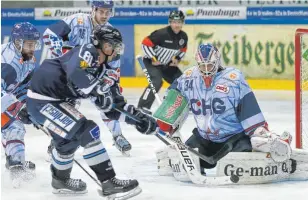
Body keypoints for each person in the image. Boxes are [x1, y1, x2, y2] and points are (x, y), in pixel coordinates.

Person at [26, 25, 157, 198]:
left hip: (54, 102)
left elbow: (112, 107)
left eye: (116, 46)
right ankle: (109, 182)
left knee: (68, 143)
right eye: (111, 45)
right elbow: (76, 73)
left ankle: (60, 181)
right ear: (99, 43)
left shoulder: (103, 70)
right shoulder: (87, 51)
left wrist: (138, 119)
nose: (114, 49)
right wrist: (97, 91)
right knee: (88, 130)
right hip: (42, 101)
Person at [157, 43, 292, 175]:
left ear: (217, 62)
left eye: (209, 65)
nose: (206, 70)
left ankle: (270, 145)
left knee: (243, 162)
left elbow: (248, 109)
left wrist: (260, 132)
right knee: (184, 163)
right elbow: (173, 93)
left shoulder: (233, 79)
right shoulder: (188, 78)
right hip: (204, 138)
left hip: (234, 139)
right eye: (202, 66)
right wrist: (166, 115)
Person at [43, 0, 131, 155]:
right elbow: (49, 34)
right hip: (68, 74)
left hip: (92, 73)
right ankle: (56, 141)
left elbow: (114, 62)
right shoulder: (77, 21)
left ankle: (118, 136)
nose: (104, 15)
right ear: (93, 9)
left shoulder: (110, 31)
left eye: (107, 12)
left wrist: (111, 82)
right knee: (67, 108)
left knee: (106, 99)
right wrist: (63, 56)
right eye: (101, 11)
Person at [1, 22, 41, 185]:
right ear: (18, 43)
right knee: (13, 126)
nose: (33, 48)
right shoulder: (8, 62)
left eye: (34, 44)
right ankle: (16, 165)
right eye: (30, 44)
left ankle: (15, 163)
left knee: (13, 126)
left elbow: (22, 86)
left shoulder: (28, 58)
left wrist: (27, 106)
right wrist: (17, 107)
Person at [138, 10, 188, 111]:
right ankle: (142, 106)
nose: (176, 25)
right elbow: (145, 43)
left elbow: (183, 49)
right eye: (174, 22)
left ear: (182, 23)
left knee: (181, 81)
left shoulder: (183, 37)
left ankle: (178, 104)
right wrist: (154, 58)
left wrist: (177, 59)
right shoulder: (161, 34)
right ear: (170, 22)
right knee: (156, 81)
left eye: (179, 22)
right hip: (151, 62)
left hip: (166, 64)